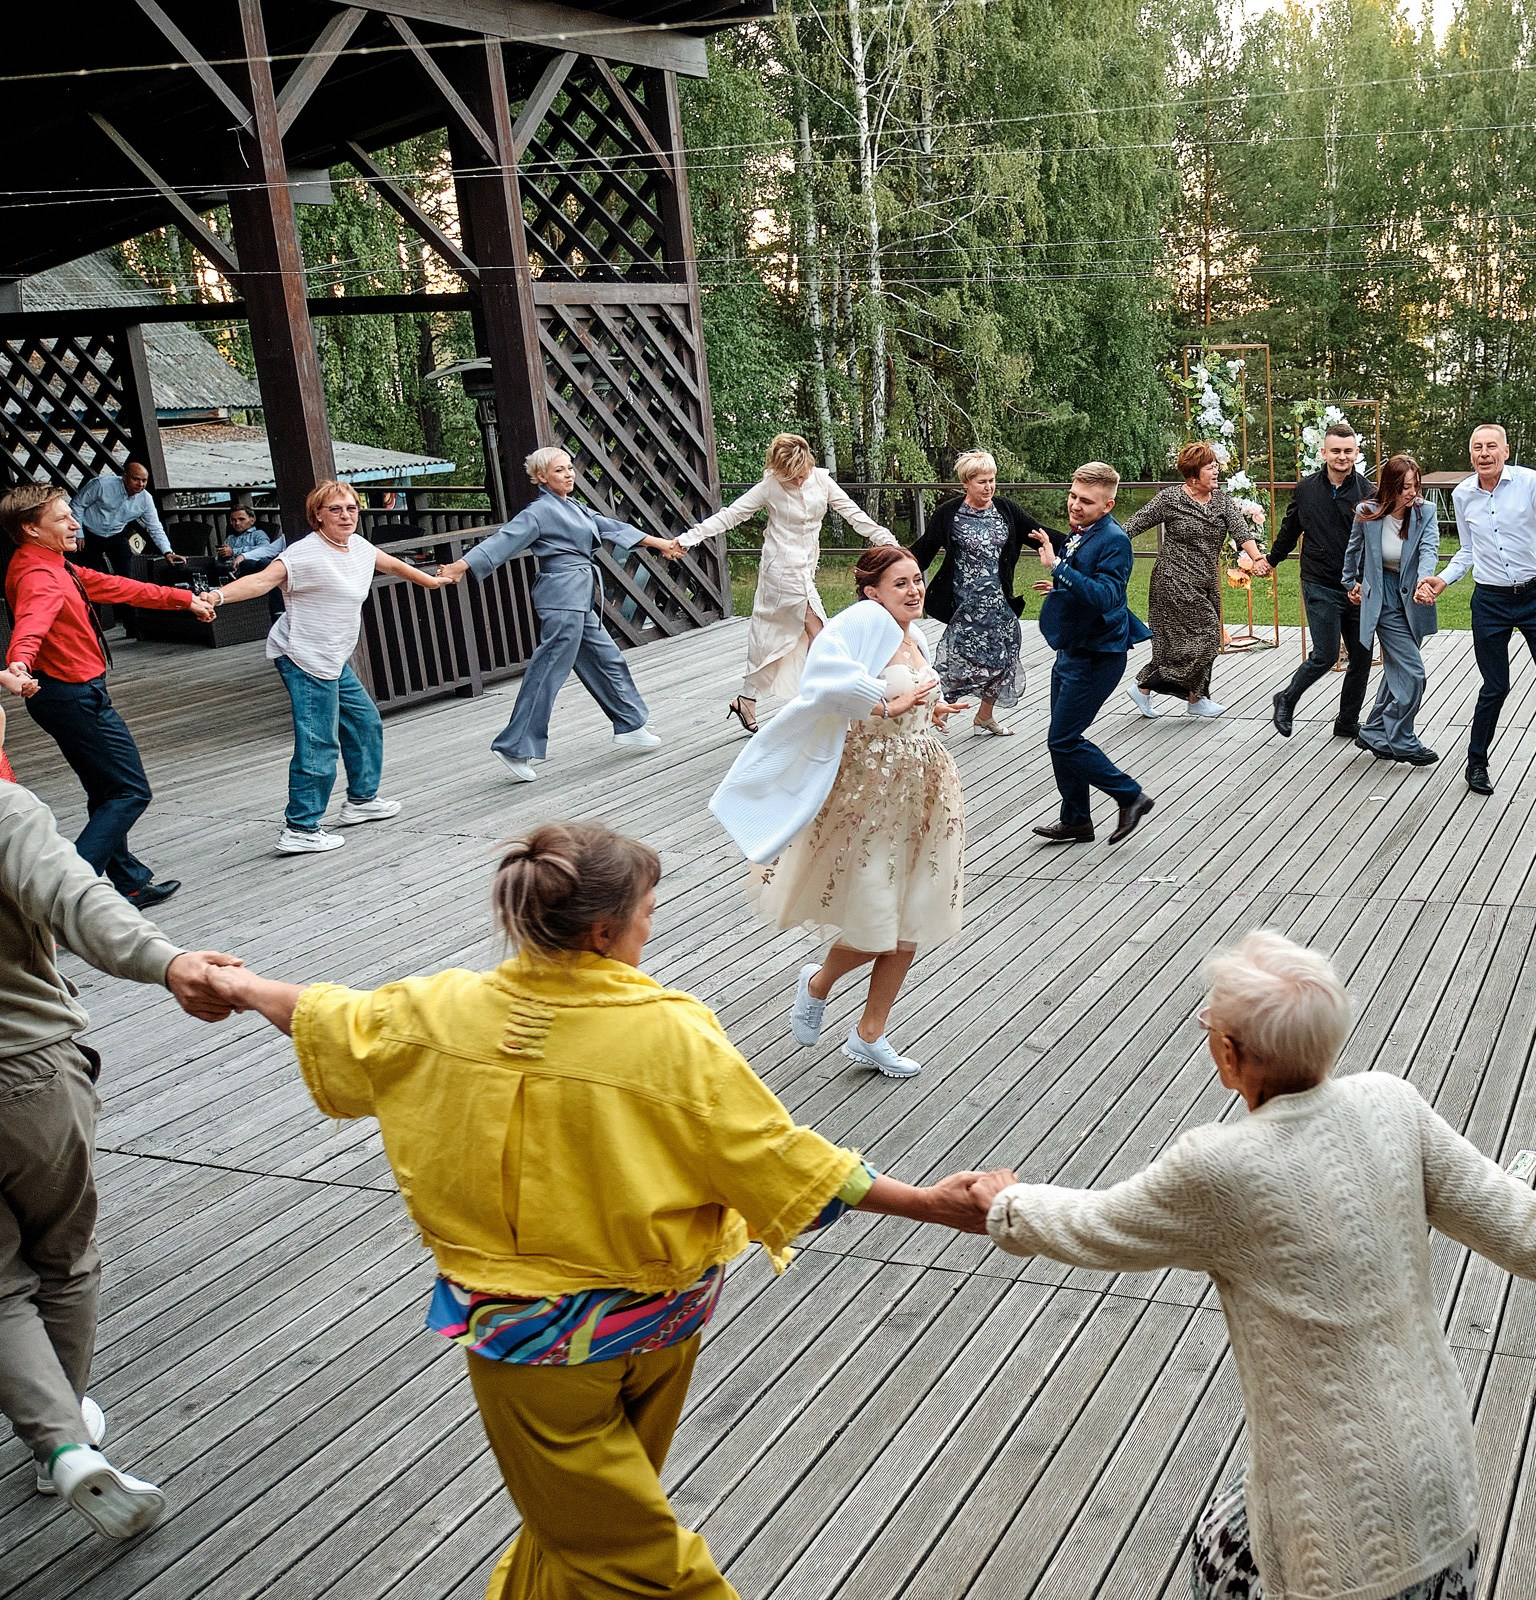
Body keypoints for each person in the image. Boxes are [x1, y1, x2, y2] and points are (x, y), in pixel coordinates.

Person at [199, 820, 994, 1600]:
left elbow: (330, 1016)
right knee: (604, 1531)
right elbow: (777, 1157)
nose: (651, 930)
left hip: (534, 1343)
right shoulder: (667, 1033)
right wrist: (926, 1202)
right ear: (606, 932)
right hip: (660, 1324)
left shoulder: (431, 1010)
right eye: (649, 915)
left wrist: (239, 985)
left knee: (608, 1538)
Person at [968, 929, 1536, 1600]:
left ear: (1229, 1055)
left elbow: (1092, 1228)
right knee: (1228, 1535)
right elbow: (1530, 1230)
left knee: (1220, 1562)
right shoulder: (1390, 1106)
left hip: (1337, 1537)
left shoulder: (1218, 1167)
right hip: (1439, 1488)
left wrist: (1009, 1202)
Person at [0, 698, 245, 1541]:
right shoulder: (5, 811)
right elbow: (76, 899)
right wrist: (170, 961)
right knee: (62, 1261)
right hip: (26, 1078)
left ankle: (66, 1448)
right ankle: (53, 1455)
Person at [709, 547, 966, 1080]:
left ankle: (869, 1034)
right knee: (876, 912)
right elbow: (824, 677)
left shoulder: (912, 634)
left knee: (914, 910)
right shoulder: (867, 621)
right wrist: (882, 704)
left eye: (918, 580)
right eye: (901, 584)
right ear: (873, 592)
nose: (915, 590)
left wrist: (931, 706)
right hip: (872, 791)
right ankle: (819, 982)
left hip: (924, 785)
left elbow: (909, 690)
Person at [203, 479, 452, 856]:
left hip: (333, 657)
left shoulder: (358, 547)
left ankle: (361, 801)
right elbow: (260, 581)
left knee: (365, 722)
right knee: (319, 740)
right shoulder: (303, 554)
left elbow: (394, 565)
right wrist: (218, 595)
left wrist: (431, 582)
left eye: (351, 508)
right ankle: (301, 827)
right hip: (303, 657)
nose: (345, 515)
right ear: (317, 515)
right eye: (335, 509)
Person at [3, 483, 216, 909]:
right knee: (129, 791)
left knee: (106, 791)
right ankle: (61, 897)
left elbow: (120, 588)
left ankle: (130, 882)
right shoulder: (38, 575)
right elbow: (31, 623)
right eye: (62, 518)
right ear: (30, 528)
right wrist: (18, 664)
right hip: (72, 697)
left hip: (67, 694)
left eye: (70, 514)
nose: (74, 522)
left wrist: (185, 599)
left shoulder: (54, 565)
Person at [437, 448, 684, 783]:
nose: (568, 474)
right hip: (562, 597)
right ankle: (515, 746)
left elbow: (610, 527)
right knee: (549, 670)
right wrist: (460, 566)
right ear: (541, 477)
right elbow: (503, 541)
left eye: (570, 468)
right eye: (559, 470)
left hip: (578, 597)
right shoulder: (539, 512)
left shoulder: (573, 506)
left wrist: (660, 543)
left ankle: (630, 724)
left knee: (608, 659)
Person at [1413, 423, 1536, 795]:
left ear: (1505, 451)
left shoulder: (1528, 482)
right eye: (1477, 447)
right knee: (1495, 687)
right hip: (1489, 602)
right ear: (1470, 454)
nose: (1483, 453)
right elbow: (1468, 550)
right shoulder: (1462, 494)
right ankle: (1476, 765)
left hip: (1533, 600)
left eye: (1491, 446)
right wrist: (1443, 579)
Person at [672, 433, 894, 734]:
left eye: (801, 474)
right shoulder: (770, 486)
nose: (799, 481)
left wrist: (888, 542)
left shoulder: (822, 481)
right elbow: (731, 515)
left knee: (776, 637)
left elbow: (853, 514)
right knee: (820, 634)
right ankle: (835, 703)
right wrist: (689, 538)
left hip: (806, 569)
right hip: (781, 571)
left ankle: (747, 699)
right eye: (792, 476)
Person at [1030, 464, 1153, 846]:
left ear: (1108, 505)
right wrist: (1059, 586)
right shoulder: (1083, 531)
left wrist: (1058, 567)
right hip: (1072, 647)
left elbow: (1107, 596)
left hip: (1099, 654)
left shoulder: (1114, 539)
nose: (1075, 506)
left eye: (1086, 501)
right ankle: (1077, 820)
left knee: (1063, 740)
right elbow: (1085, 582)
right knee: (1063, 737)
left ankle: (1130, 796)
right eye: (1073, 496)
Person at [1120, 441, 1267, 719]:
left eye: (1215, 467)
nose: (1216, 472)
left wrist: (1257, 558)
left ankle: (1177, 695)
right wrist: (1097, 542)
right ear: (1193, 476)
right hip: (1172, 580)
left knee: (1189, 643)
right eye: (1210, 468)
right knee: (1207, 636)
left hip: (1206, 582)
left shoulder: (1222, 501)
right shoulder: (1169, 499)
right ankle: (1167, 692)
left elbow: (1241, 532)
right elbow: (1133, 525)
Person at [910, 450, 1045, 736]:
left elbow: (1039, 534)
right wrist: (889, 568)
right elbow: (924, 549)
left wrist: (1080, 542)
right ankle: (926, 714)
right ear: (966, 483)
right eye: (982, 481)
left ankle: (984, 716)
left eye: (992, 480)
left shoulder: (1005, 510)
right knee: (954, 662)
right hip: (964, 603)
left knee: (1004, 656)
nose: (989, 487)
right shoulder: (949, 513)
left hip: (998, 601)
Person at [1267, 420, 1372, 739]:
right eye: (1335, 451)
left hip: (1356, 588)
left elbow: (1375, 542)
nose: (1342, 456)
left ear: (1356, 453)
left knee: (1362, 656)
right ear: (1324, 452)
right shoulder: (1306, 489)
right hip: (1319, 582)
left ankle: (1347, 721)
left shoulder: (1368, 493)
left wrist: (1366, 583)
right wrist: (1271, 560)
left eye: (1348, 451)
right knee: (1325, 654)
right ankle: (1287, 698)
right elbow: (1290, 530)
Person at [1342, 452, 1443, 765]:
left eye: (1415, 486)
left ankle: (1373, 730)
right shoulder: (1368, 512)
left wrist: (1425, 581)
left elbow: (1429, 549)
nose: (1411, 493)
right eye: (1404, 487)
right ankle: (1402, 738)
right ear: (1390, 487)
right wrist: (1351, 584)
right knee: (1414, 673)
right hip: (1381, 598)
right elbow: (1353, 552)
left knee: (1398, 669)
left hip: (1413, 598)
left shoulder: (1426, 512)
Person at [66, 462, 168, 590]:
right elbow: (77, 505)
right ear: (124, 477)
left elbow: (155, 527)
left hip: (116, 534)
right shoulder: (101, 485)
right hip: (90, 532)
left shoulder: (146, 499)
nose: (140, 484)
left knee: (126, 578)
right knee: (91, 578)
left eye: (144, 480)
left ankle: (125, 609)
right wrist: (79, 533)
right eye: (136, 479)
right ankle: (92, 608)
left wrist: (167, 551)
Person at [217, 502, 284, 575]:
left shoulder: (258, 534)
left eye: (241, 519)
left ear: (252, 520)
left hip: (249, 569)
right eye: (233, 520)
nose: (237, 523)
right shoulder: (230, 538)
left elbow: (264, 549)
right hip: (229, 569)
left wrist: (234, 551)